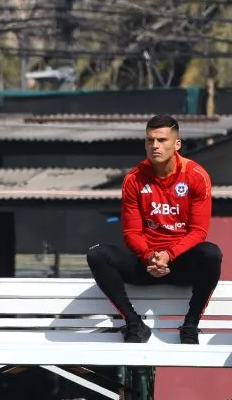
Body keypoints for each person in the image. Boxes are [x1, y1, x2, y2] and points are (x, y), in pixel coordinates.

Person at [87, 114, 222, 344]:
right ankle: (133, 323)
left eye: (162, 140)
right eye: (150, 140)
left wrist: (169, 255)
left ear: (177, 144)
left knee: (211, 253)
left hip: (179, 264)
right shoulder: (133, 179)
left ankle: (190, 325)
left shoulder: (196, 176)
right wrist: (150, 256)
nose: (155, 146)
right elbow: (131, 233)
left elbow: (198, 232)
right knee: (96, 253)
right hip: (145, 263)